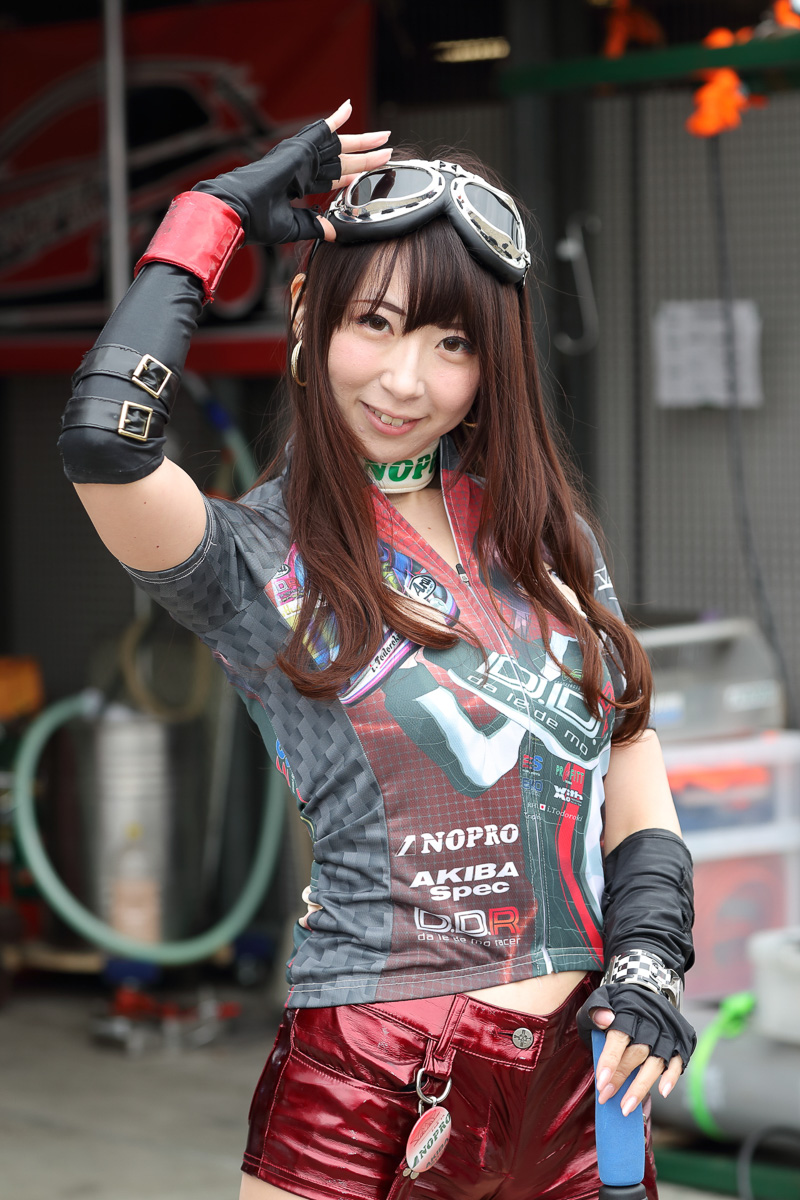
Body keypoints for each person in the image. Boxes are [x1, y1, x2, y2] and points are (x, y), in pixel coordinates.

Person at [59, 101, 696, 1200]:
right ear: (310, 312)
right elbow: (103, 442)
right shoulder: (245, 556)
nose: (406, 380)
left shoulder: (547, 541)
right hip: (369, 1079)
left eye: (452, 344)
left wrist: (650, 956)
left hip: (585, 1089)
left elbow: (628, 765)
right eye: (377, 323)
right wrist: (214, 212)